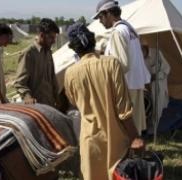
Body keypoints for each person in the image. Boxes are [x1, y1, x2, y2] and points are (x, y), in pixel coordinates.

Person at [64, 23, 145, 180]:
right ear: (93, 41)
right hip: (116, 140)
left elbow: (74, 102)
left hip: (90, 141)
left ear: (74, 49)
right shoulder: (111, 64)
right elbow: (124, 108)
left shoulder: (70, 73)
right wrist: (135, 137)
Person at [93, 0, 151, 135]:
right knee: (134, 125)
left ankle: (129, 154)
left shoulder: (118, 32)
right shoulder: (128, 28)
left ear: (108, 14)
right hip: (134, 83)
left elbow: (121, 64)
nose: (100, 21)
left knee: (124, 128)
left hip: (125, 86)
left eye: (100, 17)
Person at [13, 18, 61, 108]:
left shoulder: (48, 53)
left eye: (54, 38)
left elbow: (52, 78)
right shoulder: (29, 54)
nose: (54, 41)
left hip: (49, 105)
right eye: (51, 37)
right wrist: (27, 97)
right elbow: (19, 83)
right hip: (36, 108)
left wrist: (57, 98)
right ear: (42, 35)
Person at [142, 44, 170, 132]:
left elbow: (167, 69)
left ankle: (152, 130)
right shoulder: (136, 56)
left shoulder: (156, 52)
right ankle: (144, 127)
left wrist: (156, 76)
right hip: (144, 85)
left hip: (157, 84)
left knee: (156, 106)